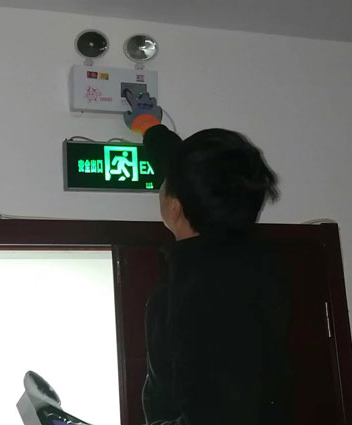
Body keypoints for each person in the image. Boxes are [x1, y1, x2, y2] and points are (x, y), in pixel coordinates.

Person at [124, 92, 293, 425]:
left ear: (175, 207)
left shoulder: (204, 291)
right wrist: (149, 127)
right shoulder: (246, 261)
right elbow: (195, 175)